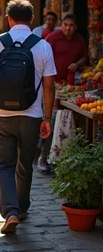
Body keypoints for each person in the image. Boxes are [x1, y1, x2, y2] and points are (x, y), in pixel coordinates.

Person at [0, 0, 56, 234]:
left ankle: (10, 211)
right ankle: (21, 209)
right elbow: (50, 85)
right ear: (32, 20)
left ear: (9, 19)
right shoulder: (42, 46)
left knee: (3, 164)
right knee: (25, 165)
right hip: (31, 115)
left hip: (1, 115)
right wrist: (47, 118)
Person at [37, 14, 88, 174]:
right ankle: (42, 158)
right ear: (61, 24)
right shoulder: (52, 38)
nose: (68, 28)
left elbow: (84, 57)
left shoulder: (79, 39)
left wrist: (78, 64)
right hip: (50, 85)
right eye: (65, 25)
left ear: (76, 27)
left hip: (69, 86)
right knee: (49, 119)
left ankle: (67, 158)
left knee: (70, 120)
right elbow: (41, 58)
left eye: (71, 25)